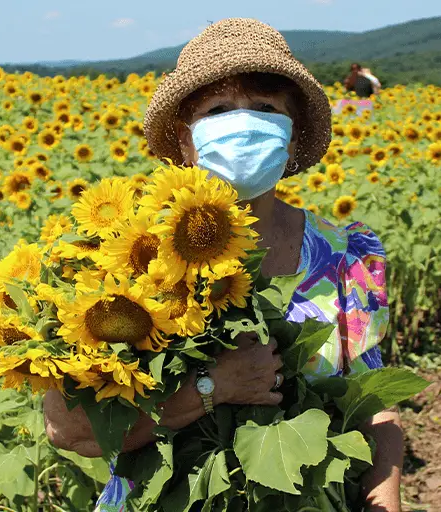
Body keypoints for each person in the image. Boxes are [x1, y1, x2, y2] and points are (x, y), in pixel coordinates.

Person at [45, 18, 404, 512]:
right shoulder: (129, 254)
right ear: (187, 141)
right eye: (218, 109)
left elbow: (373, 409)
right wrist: (212, 389)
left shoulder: (349, 256)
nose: (242, 123)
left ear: (293, 136)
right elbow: (67, 429)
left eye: (263, 108)